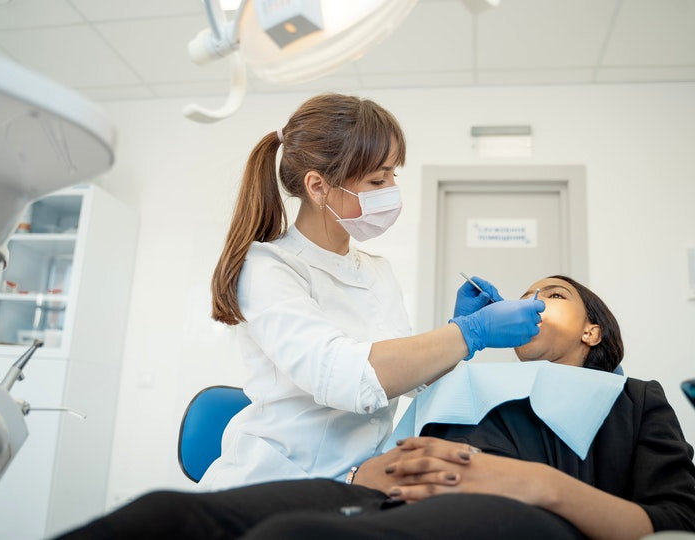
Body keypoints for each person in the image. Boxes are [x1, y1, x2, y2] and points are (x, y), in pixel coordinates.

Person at [57, 275, 695, 540]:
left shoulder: (635, 399)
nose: (533, 300)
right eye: (528, 292)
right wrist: (367, 470)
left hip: (520, 515)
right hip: (377, 495)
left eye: (555, 295)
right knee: (161, 518)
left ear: (593, 331)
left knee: (293, 539)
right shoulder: (462, 381)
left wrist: (532, 484)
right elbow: (369, 415)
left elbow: (681, 524)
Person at [202, 93, 544, 490]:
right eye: (378, 180)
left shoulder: (376, 270)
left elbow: (408, 378)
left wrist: (459, 327)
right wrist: (470, 333)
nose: (392, 189)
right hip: (276, 482)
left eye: (393, 175)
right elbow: (347, 378)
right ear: (318, 187)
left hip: (359, 481)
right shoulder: (269, 268)